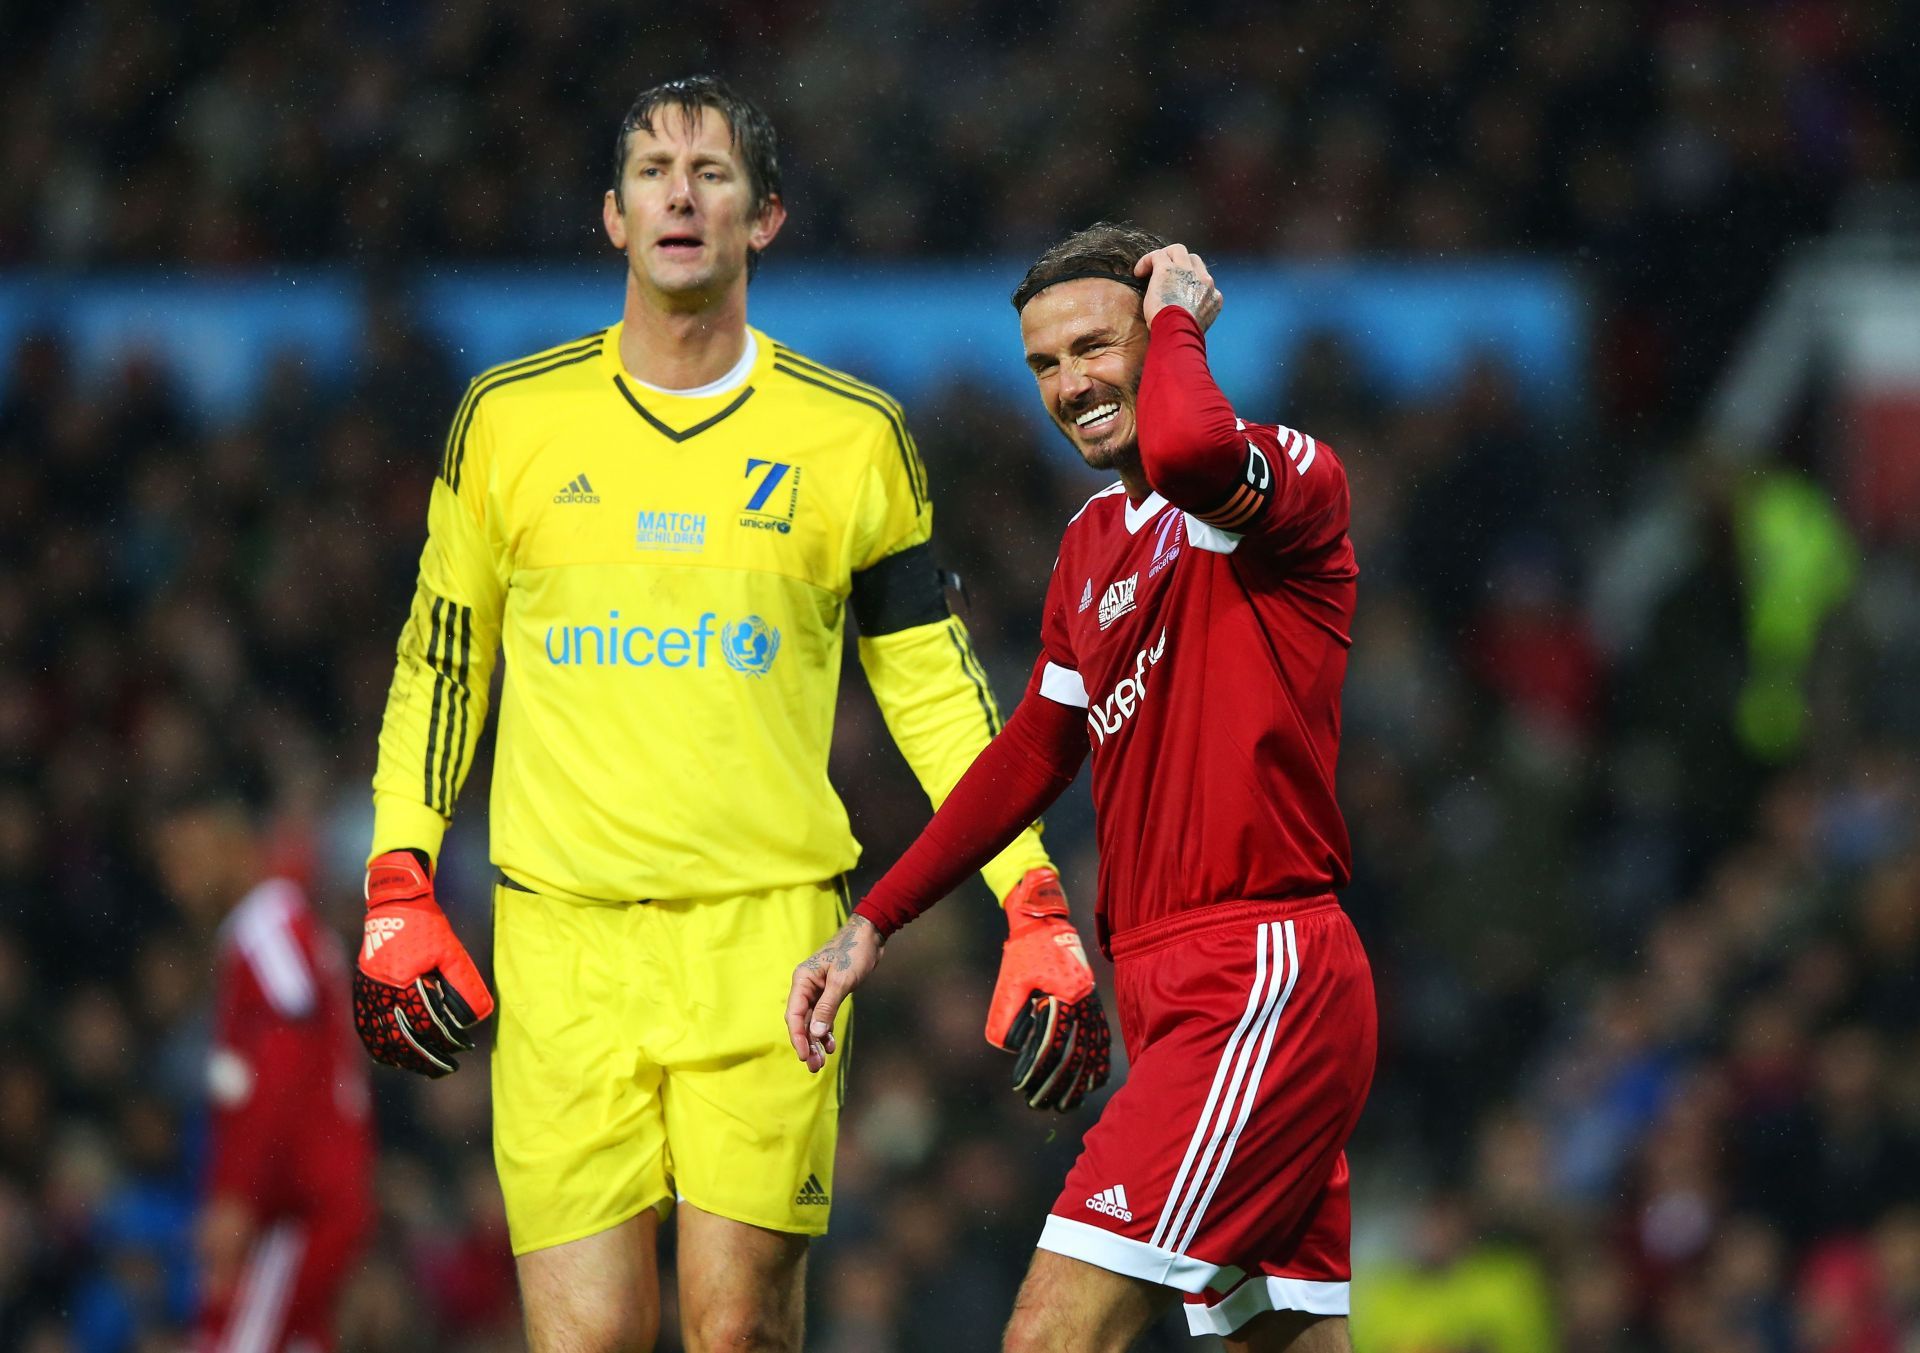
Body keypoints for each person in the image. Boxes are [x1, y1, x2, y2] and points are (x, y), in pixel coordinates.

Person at [351, 76, 1107, 1353]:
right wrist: (396, 873)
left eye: (712, 174)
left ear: (765, 220)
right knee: (585, 1341)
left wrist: (1030, 899)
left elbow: (936, 689)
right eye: (653, 170)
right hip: (563, 944)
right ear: (611, 216)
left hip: (769, 950)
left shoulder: (853, 440)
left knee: (738, 1331)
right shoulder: (509, 423)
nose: (681, 193)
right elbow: (443, 662)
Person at [789, 223, 1376, 1352]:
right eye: (1044, 366)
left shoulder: (1287, 478)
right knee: (1281, 1339)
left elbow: (1197, 456)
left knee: (1053, 1337)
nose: (1069, 386)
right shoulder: (1092, 542)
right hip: (1165, 988)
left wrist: (1174, 321)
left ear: (1167, 336)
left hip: (1256, 974)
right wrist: (877, 918)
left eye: (1094, 348)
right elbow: (1030, 757)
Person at [150, 788, 374, 1353]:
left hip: (293, 1209)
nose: (180, 881)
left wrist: (237, 1196)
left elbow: (284, 1056)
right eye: (170, 864)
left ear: (237, 848)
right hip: (306, 1197)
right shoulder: (277, 927)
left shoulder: (267, 930)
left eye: (192, 857)